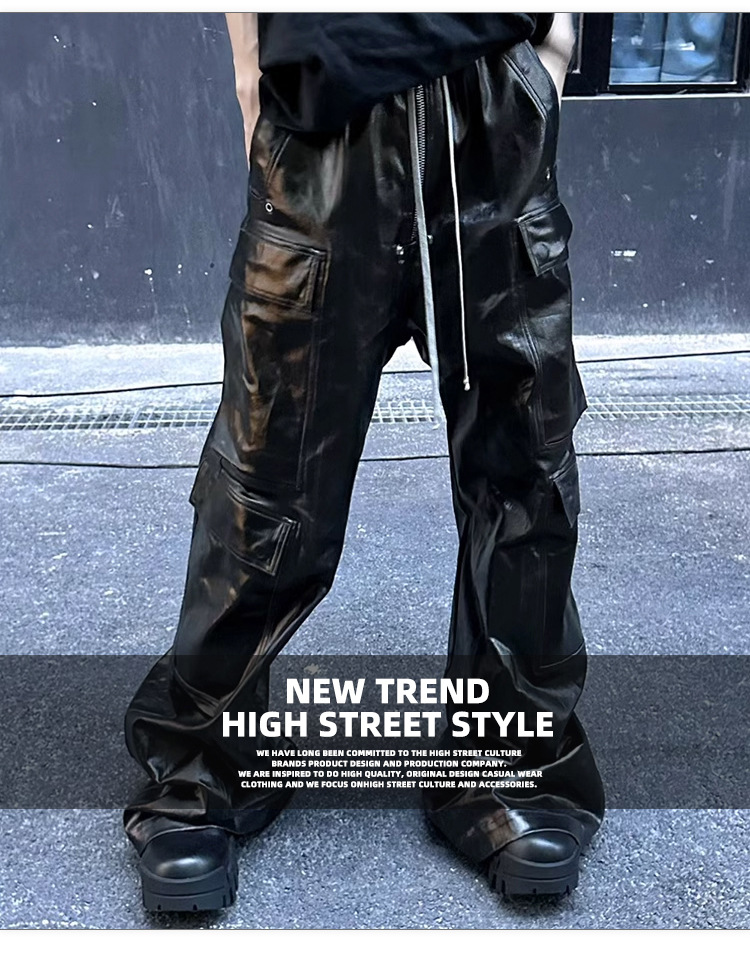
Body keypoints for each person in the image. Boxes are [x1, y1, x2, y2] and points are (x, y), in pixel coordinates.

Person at [123, 12, 605, 912]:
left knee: (523, 463)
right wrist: (251, 78)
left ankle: (510, 769)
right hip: (323, 111)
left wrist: (554, 43)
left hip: (490, 99)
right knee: (266, 468)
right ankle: (201, 767)